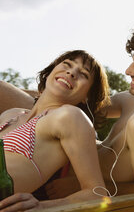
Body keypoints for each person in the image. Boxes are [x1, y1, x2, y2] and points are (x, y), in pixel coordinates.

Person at [0, 17, 134, 198]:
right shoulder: (132, 100)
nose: (128, 71)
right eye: (133, 62)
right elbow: (88, 102)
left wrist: (78, 186)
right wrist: (51, 86)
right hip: (66, 144)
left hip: (67, 171)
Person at [0, 50, 111, 211]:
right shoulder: (11, 114)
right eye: (67, 64)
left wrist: (42, 206)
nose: (71, 72)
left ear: (86, 97)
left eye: (84, 74)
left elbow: (98, 194)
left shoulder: (70, 117)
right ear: (50, 72)